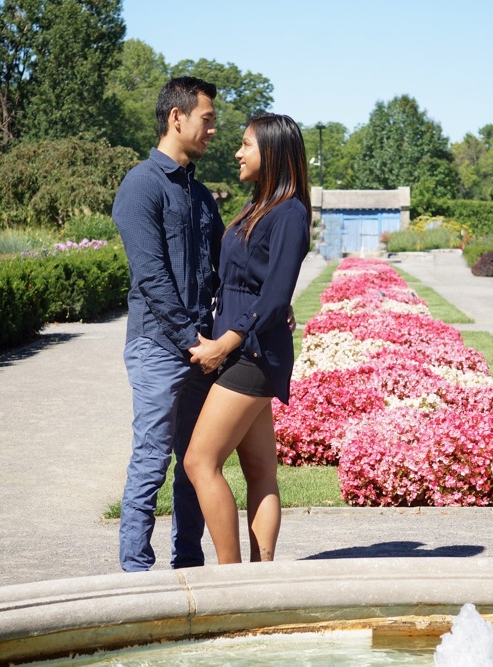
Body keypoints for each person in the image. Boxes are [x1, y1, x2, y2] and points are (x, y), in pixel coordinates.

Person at [184, 114, 312, 564]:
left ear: (272, 152)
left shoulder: (290, 212)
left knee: (199, 462)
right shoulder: (257, 206)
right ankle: (261, 578)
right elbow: (251, 281)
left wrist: (224, 343)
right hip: (246, 346)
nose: (238, 153)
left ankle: (230, 579)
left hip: (252, 352)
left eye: (246, 145)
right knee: (259, 471)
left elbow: (277, 293)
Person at [111, 76, 225, 572]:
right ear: (177, 118)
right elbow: (151, 275)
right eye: (208, 119)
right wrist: (192, 341)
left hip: (199, 348)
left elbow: (226, 266)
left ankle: (188, 568)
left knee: (196, 464)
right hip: (159, 347)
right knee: (151, 461)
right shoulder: (140, 185)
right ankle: (135, 577)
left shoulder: (200, 196)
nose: (214, 130)